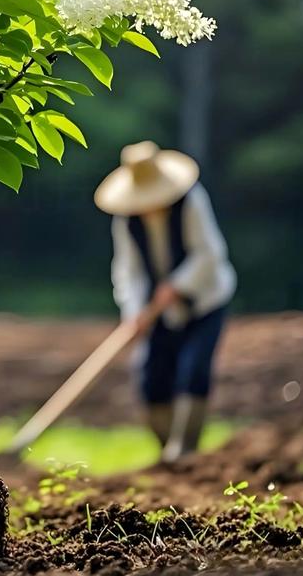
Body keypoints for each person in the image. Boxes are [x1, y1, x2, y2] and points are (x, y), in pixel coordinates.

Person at [94, 140, 236, 462]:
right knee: (151, 376)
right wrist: (133, 313)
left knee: (193, 369)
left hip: (205, 300)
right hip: (156, 310)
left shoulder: (191, 201)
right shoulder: (126, 220)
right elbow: (128, 271)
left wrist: (177, 285)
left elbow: (209, 254)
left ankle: (185, 449)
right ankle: (168, 451)